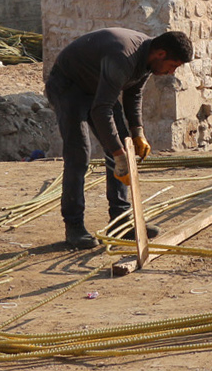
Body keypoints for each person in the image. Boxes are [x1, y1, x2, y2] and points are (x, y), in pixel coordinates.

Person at [46, 28, 193, 248]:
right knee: (79, 155)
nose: (172, 72)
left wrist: (138, 133)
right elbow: (101, 110)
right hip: (69, 87)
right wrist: (118, 156)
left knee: (125, 144)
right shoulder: (124, 57)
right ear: (161, 54)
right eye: (173, 66)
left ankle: (120, 222)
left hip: (98, 87)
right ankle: (74, 226)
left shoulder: (147, 59)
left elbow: (133, 94)